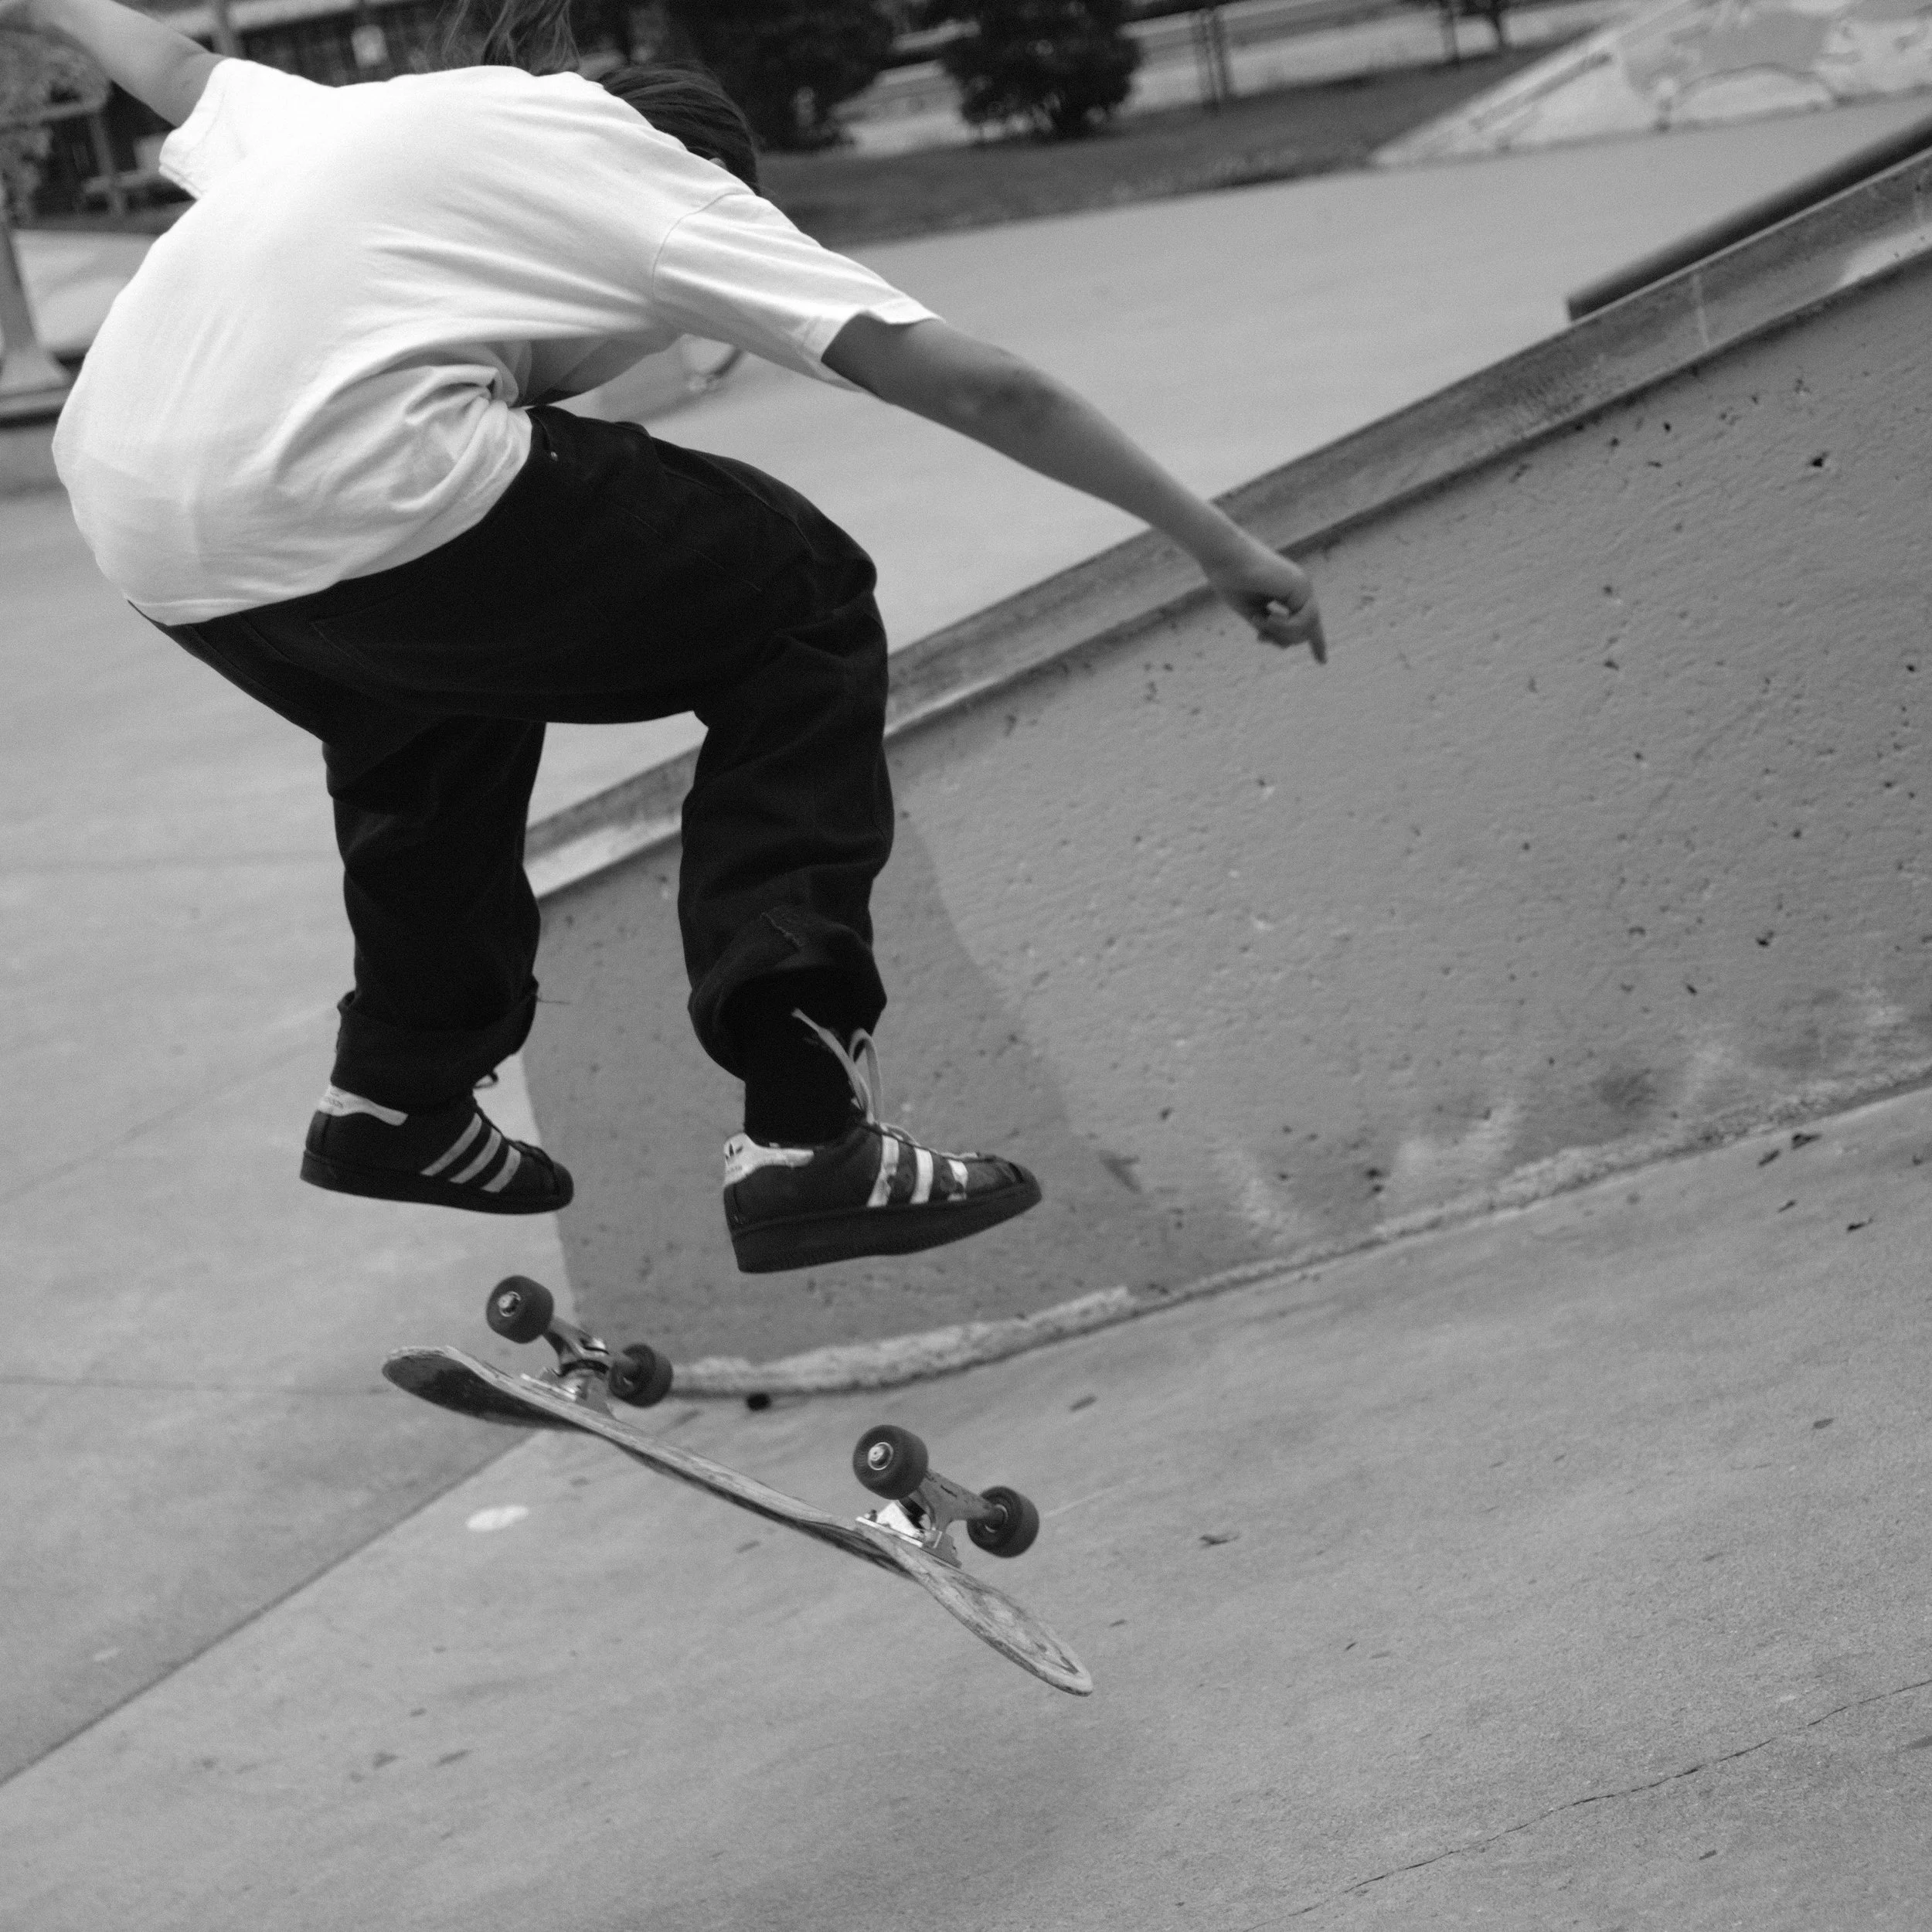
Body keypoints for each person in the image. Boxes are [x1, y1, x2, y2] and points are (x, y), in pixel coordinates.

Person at [8, 0, 1327, 1274]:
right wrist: (1218, 541)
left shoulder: (371, 122)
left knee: (431, 704)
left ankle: (398, 1096)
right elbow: (981, 381)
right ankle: (807, 1129)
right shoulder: (665, 183)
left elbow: (171, 64)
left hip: (144, 523)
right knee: (798, 597)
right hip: (359, 479)